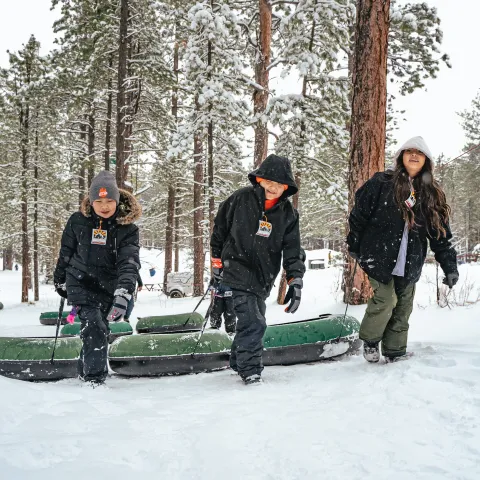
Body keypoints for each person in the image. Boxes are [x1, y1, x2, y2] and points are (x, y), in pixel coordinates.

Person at [347, 136, 458, 363]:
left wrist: (450, 266)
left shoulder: (431, 193)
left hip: (410, 260)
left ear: (426, 160)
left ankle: (395, 351)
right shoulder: (382, 183)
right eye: (409, 151)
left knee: (403, 307)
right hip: (379, 255)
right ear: (401, 157)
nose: (414, 155)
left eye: (419, 152)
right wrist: (354, 244)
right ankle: (370, 341)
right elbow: (359, 216)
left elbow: (440, 235)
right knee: (386, 299)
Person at [210, 154, 305, 384]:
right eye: (269, 182)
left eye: (279, 185)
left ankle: (237, 361)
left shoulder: (288, 215)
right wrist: (217, 262)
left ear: (286, 188)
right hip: (235, 269)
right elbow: (219, 230)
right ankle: (250, 371)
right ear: (259, 180)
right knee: (254, 322)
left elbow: (293, 250)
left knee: (253, 319)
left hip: (263, 278)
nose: (273, 188)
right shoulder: (240, 199)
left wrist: (295, 280)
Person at [53, 170, 141, 385]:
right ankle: (94, 380)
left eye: (109, 200)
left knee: (100, 328)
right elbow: (66, 251)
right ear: (91, 201)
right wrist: (60, 279)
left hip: (108, 286)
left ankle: (85, 371)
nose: (104, 206)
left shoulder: (127, 229)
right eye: (99, 200)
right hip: (80, 281)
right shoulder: (77, 221)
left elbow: (129, 263)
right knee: (94, 326)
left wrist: (123, 293)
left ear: (117, 200)